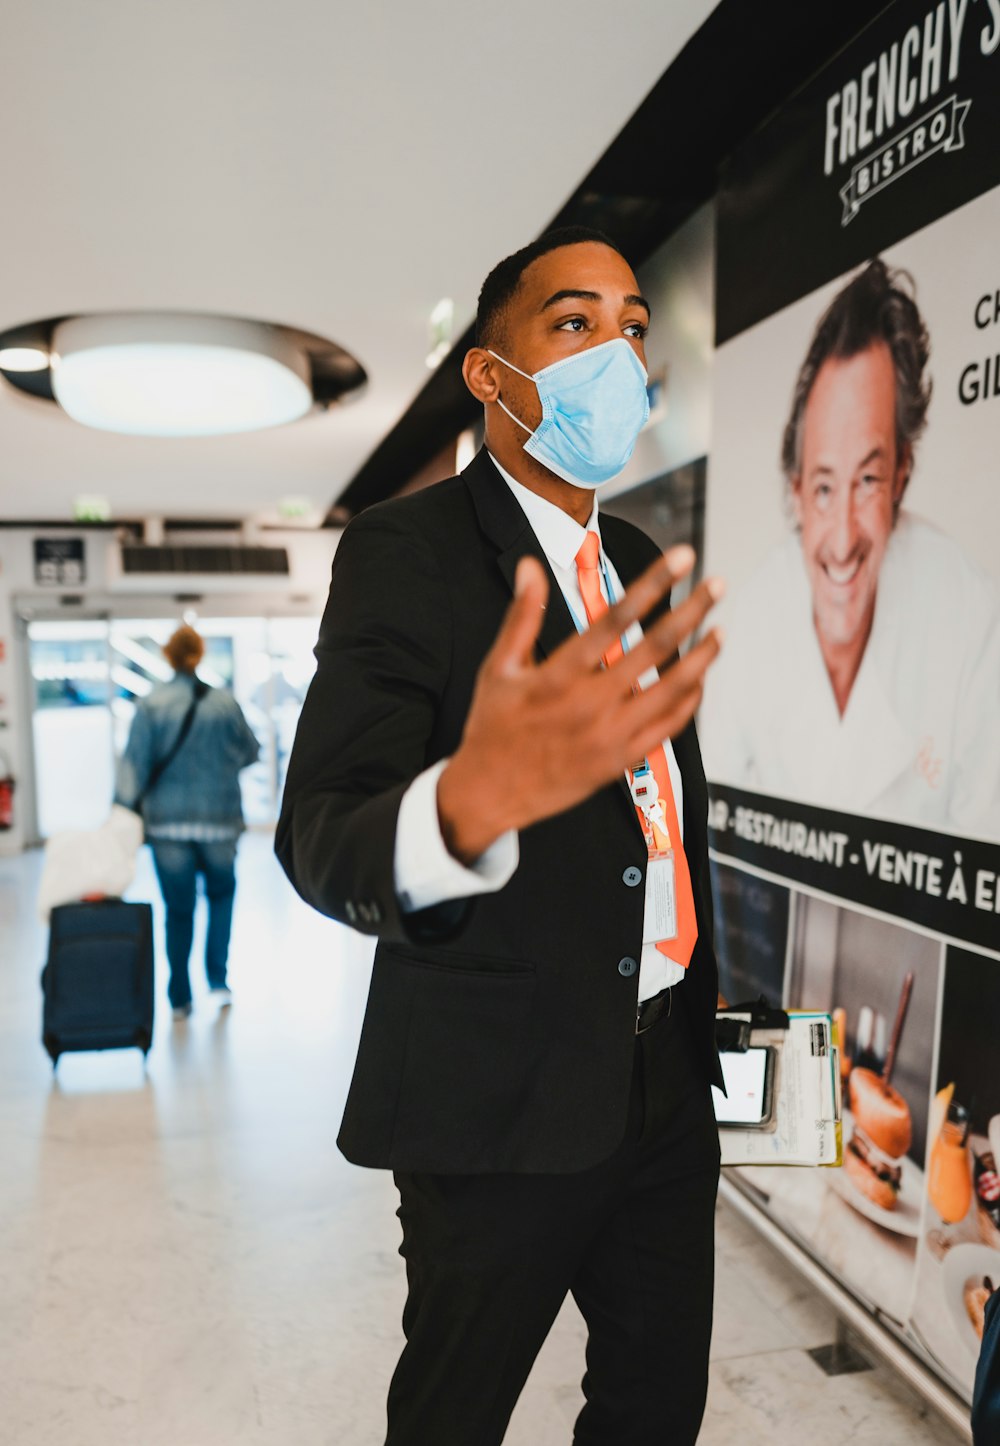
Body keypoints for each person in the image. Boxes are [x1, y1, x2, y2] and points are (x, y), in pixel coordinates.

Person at [276, 227, 725, 1446]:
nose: (617, 354)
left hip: (664, 1083)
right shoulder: (404, 552)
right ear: (489, 372)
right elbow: (320, 833)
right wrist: (466, 805)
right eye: (572, 325)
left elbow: (651, 824)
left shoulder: (634, 560)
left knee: (653, 1406)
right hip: (496, 1097)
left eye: (634, 327)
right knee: (453, 1415)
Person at [699, 258, 1000, 838]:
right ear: (796, 492)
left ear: (902, 475)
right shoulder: (753, 616)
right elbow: (712, 827)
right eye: (823, 487)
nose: (841, 539)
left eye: (867, 481)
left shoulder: (970, 616)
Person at [115, 624, 260, 1020]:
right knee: (221, 897)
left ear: (168, 655)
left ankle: (180, 997)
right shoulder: (225, 704)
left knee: (178, 909)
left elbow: (134, 767)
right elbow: (251, 752)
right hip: (220, 821)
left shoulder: (150, 706)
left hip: (168, 826)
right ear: (200, 654)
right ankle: (218, 981)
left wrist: (122, 811)